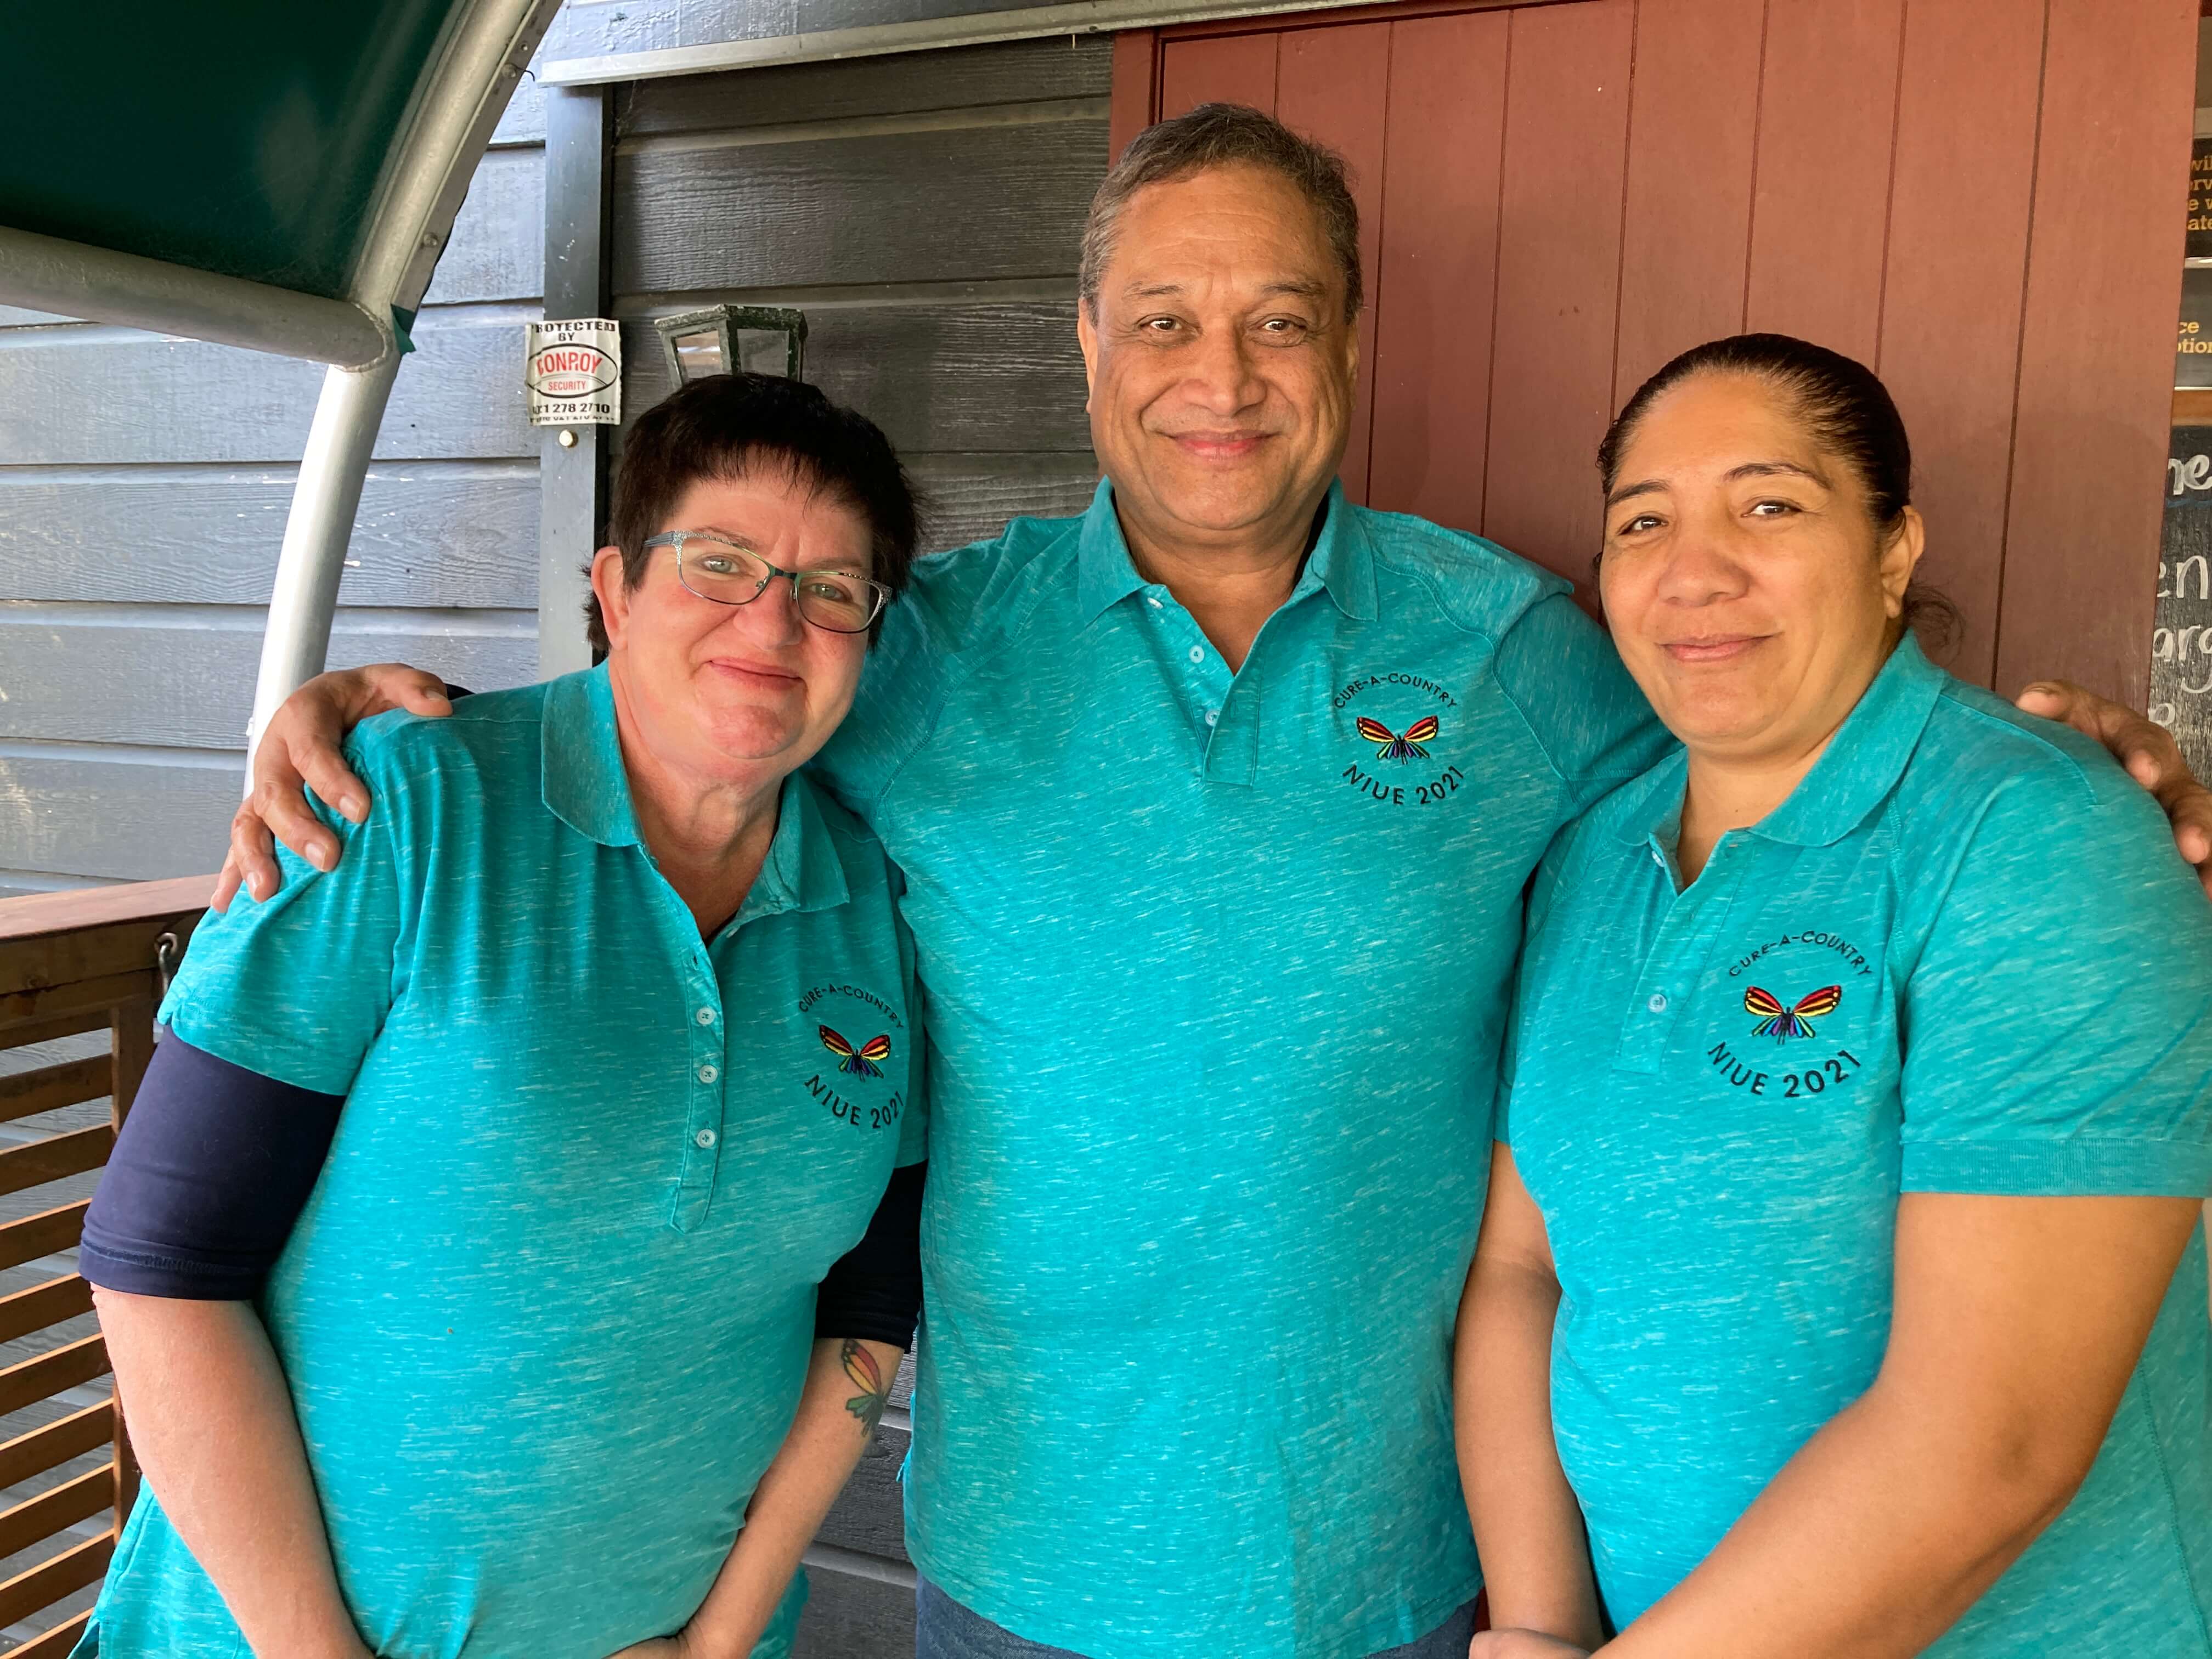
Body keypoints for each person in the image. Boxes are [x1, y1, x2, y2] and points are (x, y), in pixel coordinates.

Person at [219, 109, 2212, 1659]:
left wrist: (2070, 760)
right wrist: (395, 725)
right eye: (1163, 316)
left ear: (1347, 342)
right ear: (1089, 346)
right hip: (1025, 1556)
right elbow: (708, 693)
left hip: (1406, 1558)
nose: (1221, 373)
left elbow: (1780, 732)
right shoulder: (931, 650)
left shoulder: (1524, 651)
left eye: (1280, 315)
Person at [74, 374, 930, 1659]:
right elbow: (161, 1267)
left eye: (830, 589)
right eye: (720, 561)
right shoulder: (400, 812)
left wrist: (718, 1644)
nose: (772, 617)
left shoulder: (876, 905)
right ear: (616, 585)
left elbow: (866, 1310)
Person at [1457, 335, 2212, 1658]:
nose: (1696, 569)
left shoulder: (2032, 835)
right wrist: (1532, 1628)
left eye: (1770, 504)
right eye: (1644, 522)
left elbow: (1995, 1443)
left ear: (1893, 548)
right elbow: (1526, 1266)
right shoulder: (1594, 855)